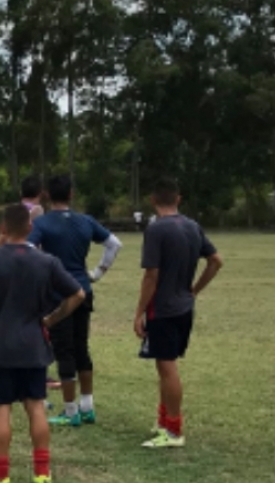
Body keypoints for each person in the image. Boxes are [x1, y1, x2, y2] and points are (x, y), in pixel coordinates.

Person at [0, 204, 85, 483]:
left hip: (0, 346)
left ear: (2, 229)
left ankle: (1, 477)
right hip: (34, 344)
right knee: (36, 407)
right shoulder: (47, 261)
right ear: (30, 228)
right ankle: (42, 473)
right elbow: (77, 294)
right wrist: (51, 319)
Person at [134, 178, 223, 448]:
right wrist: (194, 290)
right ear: (178, 199)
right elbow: (216, 261)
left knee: (167, 366)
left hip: (163, 309)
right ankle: (163, 422)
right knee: (165, 365)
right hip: (184, 306)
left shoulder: (156, 230)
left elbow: (152, 274)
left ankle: (173, 430)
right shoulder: (192, 226)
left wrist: (138, 312)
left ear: (152, 200)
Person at [28, 175, 123, 427]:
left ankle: (70, 412)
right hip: (83, 289)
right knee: (82, 347)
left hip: (58, 293)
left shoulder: (43, 223)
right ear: (71, 194)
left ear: (47, 195)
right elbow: (114, 244)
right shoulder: (86, 221)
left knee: (64, 349)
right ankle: (87, 406)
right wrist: (97, 273)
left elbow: (27, 250)